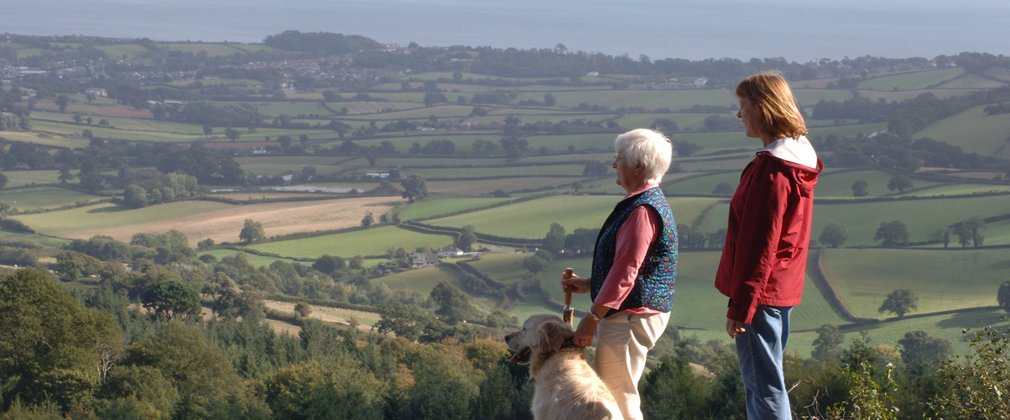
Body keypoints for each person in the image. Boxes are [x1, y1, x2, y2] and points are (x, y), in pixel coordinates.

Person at [715, 72, 822, 419]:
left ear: (762, 108)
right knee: (765, 382)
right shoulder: (797, 161)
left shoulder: (772, 171)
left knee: (763, 386)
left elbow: (759, 246)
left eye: (743, 105)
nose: (739, 114)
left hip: (760, 295)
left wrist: (741, 307)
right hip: (779, 290)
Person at [561, 128, 678, 420]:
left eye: (619, 158)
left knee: (617, 397)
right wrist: (591, 284)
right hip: (631, 313)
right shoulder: (647, 203)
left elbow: (627, 270)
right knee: (618, 393)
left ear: (638, 165)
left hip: (629, 318)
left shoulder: (641, 210)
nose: (615, 165)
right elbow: (629, 269)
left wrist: (593, 316)